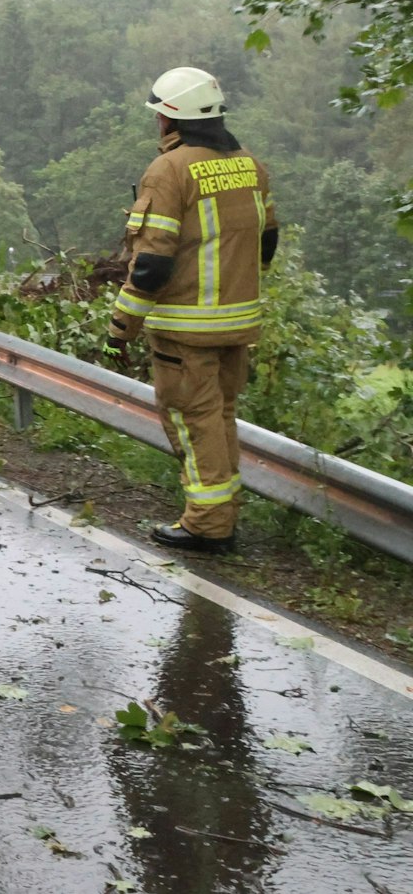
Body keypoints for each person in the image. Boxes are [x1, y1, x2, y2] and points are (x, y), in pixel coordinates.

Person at [106, 66, 278, 554]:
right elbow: (267, 243)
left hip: (185, 329)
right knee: (219, 418)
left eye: (160, 114)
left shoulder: (169, 171)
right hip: (238, 324)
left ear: (170, 120)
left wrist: (121, 327)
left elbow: (152, 265)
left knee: (191, 419)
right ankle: (221, 514)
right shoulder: (250, 165)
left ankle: (207, 524)